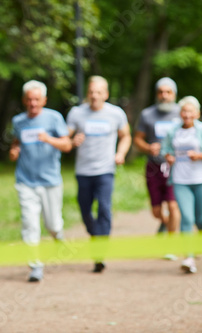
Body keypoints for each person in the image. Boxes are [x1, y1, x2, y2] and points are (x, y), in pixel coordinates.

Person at [66, 75, 132, 273]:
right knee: (85, 209)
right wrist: (72, 142)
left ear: (106, 94)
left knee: (104, 207)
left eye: (99, 92)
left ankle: (99, 252)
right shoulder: (77, 113)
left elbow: (126, 136)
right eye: (91, 92)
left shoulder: (116, 113)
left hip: (105, 170)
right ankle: (96, 236)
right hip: (83, 171)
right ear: (88, 93)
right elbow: (65, 138)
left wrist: (120, 153)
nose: (95, 96)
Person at [9, 80, 72, 282]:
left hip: (50, 181)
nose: (33, 103)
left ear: (44, 100)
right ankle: (35, 266)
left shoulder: (54, 118)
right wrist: (14, 151)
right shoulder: (18, 121)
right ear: (24, 100)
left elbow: (67, 145)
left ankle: (58, 237)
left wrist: (49, 139)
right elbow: (16, 142)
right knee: (30, 224)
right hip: (26, 181)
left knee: (52, 223)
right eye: (29, 99)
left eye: (37, 99)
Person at [161, 96, 202, 274]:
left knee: (199, 219)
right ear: (180, 113)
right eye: (184, 111)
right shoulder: (173, 131)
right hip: (180, 180)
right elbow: (165, 150)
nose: (187, 114)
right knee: (186, 218)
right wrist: (168, 156)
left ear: (197, 113)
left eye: (190, 111)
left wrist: (199, 156)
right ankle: (189, 257)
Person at [134, 77, 181, 237]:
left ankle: (171, 243)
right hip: (153, 167)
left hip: (175, 167)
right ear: (156, 94)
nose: (164, 95)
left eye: (168, 92)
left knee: (173, 206)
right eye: (161, 92)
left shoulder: (182, 113)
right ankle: (167, 223)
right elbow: (137, 139)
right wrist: (148, 147)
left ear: (174, 94)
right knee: (156, 211)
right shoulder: (147, 114)